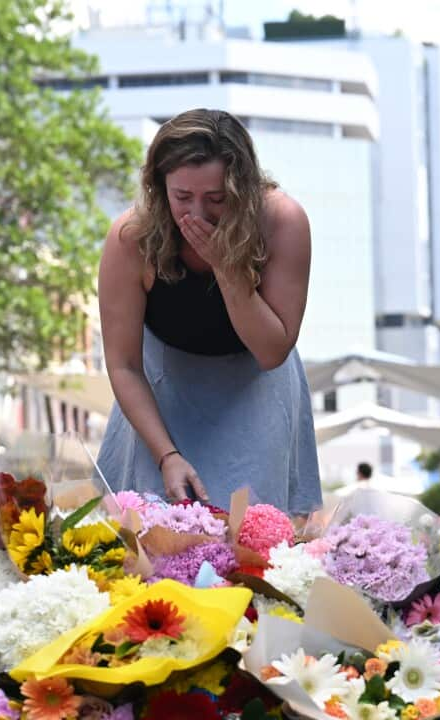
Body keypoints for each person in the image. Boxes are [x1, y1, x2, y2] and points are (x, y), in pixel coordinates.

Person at [95, 108, 321, 515]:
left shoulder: (282, 221)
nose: (196, 215)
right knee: (153, 529)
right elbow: (124, 364)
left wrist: (227, 268)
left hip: (256, 383)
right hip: (161, 388)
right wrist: (167, 456)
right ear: (159, 187)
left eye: (216, 200)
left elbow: (272, 351)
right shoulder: (131, 237)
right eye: (182, 197)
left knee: (253, 533)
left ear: (243, 190)